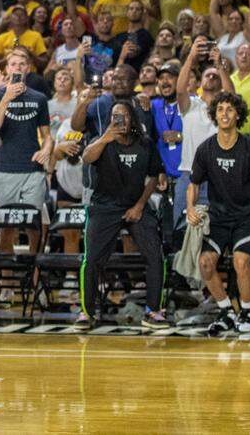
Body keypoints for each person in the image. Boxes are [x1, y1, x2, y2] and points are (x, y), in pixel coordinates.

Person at [187, 91, 250, 336]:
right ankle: (226, 311)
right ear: (214, 115)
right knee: (205, 263)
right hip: (219, 217)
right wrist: (191, 208)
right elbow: (193, 184)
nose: (224, 114)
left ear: (238, 115)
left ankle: (246, 311)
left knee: (240, 260)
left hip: (246, 217)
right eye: (220, 109)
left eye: (230, 109)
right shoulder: (206, 149)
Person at [77, 98, 167, 329]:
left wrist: (139, 206)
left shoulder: (145, 143)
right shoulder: (102, 142)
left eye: (124, 115)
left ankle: (153, 311)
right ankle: (86, 312)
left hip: (135, 204)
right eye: (115, 116)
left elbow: (154, 176)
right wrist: (106, 136)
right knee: (92, 259)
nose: (120, 120)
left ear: (132, 118)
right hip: (104, 206)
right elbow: (86, 157)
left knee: (155, 255)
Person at [0, 47, 53, 255]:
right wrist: (6, 97)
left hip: (32, 169)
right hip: (5, 168)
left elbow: (47, 136)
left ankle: (34, 280)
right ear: (7, 68)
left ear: (29, 68)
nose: (18, 67)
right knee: (6, 228)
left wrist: (46, 149)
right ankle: (8, 284)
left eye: (22, 63)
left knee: (34, 227)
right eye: (14, 64)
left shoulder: (39, 98)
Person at [175, 37, 233, 225]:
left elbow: (232, 97)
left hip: (217, 176)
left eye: (215, 76)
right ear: (199, 82)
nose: (211, 77)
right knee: (181, 229)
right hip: (188, 174)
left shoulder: (225, 109)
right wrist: (191, 57)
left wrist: (219, 65)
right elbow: (179, 90)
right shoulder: (190, 105)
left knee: (215, 229)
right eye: (208, 75)